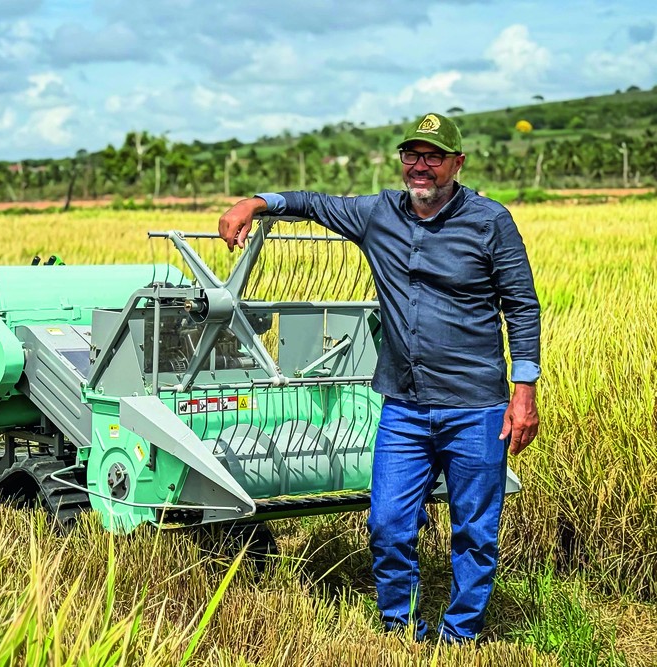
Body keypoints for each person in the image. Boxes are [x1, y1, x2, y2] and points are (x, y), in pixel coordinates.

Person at [217, 112, 540, 643]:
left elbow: (522, 308)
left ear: (456, 164)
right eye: (411, 155)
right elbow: (311, 203)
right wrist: (254, 202)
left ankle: (462, 633)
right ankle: (398, 627)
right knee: (388, 525)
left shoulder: (490, 221)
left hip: (475, 405)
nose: (420, 166)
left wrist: (523, 391)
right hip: (404, 406)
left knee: (474, 531)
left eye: (433, 157)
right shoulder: (378, 213)